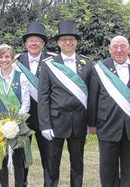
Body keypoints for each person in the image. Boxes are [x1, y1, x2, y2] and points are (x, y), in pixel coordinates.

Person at [88, 35, 130, 187]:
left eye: (123, 46)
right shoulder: (100, 69)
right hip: (107, 126)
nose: (119, 50)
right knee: (108, 171)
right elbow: (93, 98)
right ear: (109, 49)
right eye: (115, 46)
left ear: (129, 48)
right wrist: (92, 124)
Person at [38, 20, 92, 187]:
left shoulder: (87, 64)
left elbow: (92, 95)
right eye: (64, 39)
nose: (68, 42)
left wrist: (91, 122)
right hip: (55, 122)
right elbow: (43, 97)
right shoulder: (49, 66)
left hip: (79, 122)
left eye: (71, 39)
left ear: (76, 42)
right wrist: (45, 124)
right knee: (52, 164)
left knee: (77, 163)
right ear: (58, 43)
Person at [14, 21, 55, 186]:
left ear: (43, 44)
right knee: (22, 156)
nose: (33, 43)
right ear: (25, 43)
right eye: (30, 40)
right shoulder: (16, 61)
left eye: (37, 40)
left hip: (45, 117)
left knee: (49, 156)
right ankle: (21, 183)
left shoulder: (52, 61)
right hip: (23, 117)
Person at [0, 44, 31, 187]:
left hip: (18, 127)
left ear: (12, 58)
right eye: (1, 57)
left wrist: (16, 123)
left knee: (19, 160)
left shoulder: (21, 77)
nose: (4, 60)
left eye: (7, 56)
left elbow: (26, 103)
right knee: (2, 160)